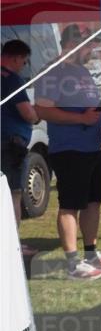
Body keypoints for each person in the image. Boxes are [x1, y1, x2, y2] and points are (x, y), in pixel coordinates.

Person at [35, 25, 101, 280]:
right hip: (69, 148)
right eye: (90, 44)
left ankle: (90, 253)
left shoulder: (81, 71)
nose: (93, 50)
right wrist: (80, 118)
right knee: (70, 204)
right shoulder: (52, 71)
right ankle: (73, 263)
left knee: (94, 201)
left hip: (93, 146)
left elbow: (87, 106)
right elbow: (43, 111)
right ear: (73, 44)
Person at [1, 40, 41, 257]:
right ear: (15, 58)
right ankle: (13, 245)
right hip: (9, 144)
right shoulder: (12, 79)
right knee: (13, 194)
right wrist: (37, 117)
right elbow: (27, 112)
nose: (24, 66)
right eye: (24, 62)